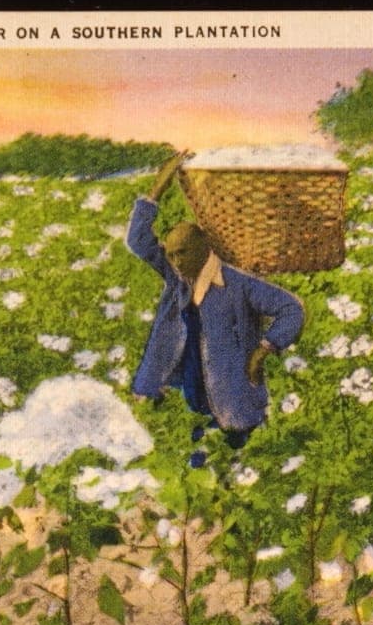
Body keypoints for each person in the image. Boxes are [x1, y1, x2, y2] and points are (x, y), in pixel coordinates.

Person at [128, 151, 305, 452]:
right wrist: (158, 188)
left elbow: (292, 309)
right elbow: (138, 240)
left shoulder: (238, 285)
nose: (175, 262)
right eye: (170, 255)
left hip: (231, 397)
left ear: (204, 247)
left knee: (238, 452)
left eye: (182, 253)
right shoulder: (177, 277)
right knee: (180, 448)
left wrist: (264, 350)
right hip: (183, 388)